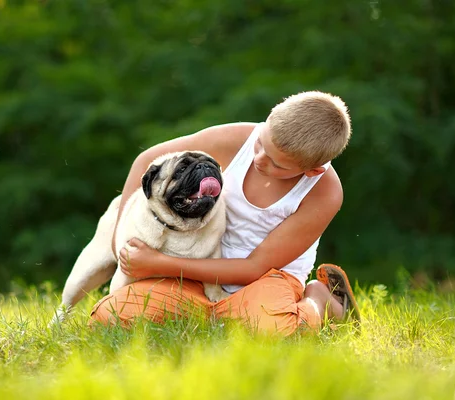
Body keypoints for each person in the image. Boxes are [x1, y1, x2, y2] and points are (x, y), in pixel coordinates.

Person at [90, 91, 360, 336]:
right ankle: (216, 314)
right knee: (109, 317)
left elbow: (254, 267)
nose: (259, 159)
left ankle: (320, 301)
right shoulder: (239, 138)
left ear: (312, 170)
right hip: (196, 271)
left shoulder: (324, 192)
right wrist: (119, 240)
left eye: (276, 163)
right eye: (261, 143)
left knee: (273, 334)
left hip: (264, 280)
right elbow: (147, 161)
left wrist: (157, 263)